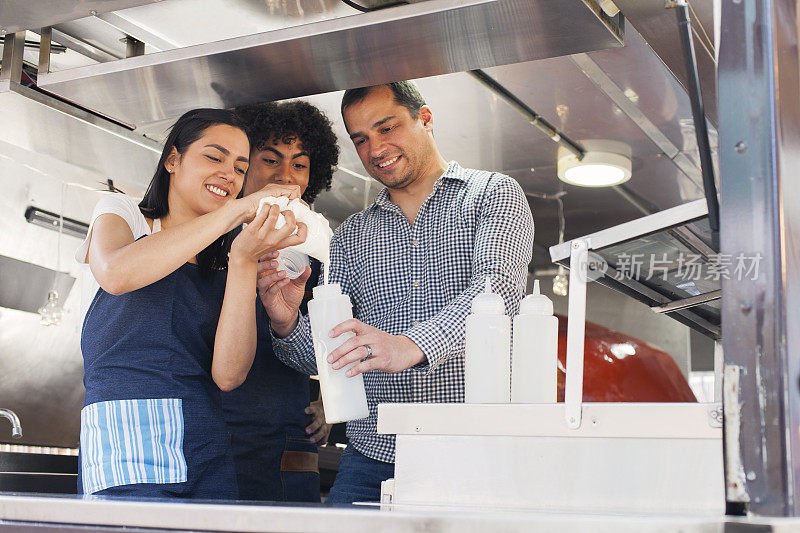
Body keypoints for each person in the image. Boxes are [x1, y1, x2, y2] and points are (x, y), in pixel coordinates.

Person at [259, 81, 534, 503]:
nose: (375, 148)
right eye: (361, 139)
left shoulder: (492, 195)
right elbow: (328, 357)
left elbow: (495, 296)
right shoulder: (351, 235)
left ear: (424, 118)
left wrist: (409, 346)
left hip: (472, 449)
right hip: (374, 456)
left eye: (386, 128)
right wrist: (286, 321)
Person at [74, 108, 305, 499]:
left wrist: (245, 260)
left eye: (239, 167)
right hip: (129, 438)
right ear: (173, 159)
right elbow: (115, 273)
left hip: (204, 441)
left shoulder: (232, 254)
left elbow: (229, 376)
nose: (228, 175)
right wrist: (238, 209)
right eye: (214, 158)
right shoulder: (124, 214)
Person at [221, 100, 339, 502]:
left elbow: (340, 335)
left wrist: (328, 398)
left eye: (299, 165)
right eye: (270, 159)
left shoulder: (318, 244)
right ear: (243, 165)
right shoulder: (208, 233)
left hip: (286, 434)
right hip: (213, 427)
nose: (285, 176)